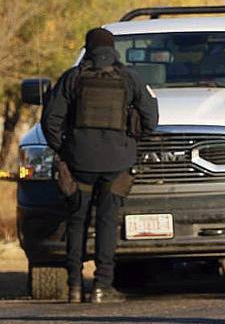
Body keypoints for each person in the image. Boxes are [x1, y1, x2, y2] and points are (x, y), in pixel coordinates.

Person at [41, 28, 159, 304]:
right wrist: (131, 143)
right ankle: (102, 286)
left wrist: (63, 149)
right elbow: (151, 119)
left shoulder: (72, 78)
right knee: (107, 222)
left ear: (87, 48)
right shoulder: (130, 78)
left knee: (77, 221)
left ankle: (73, 286)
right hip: (118, 163)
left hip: (79, 162)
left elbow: (50, 122)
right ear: (113, 49)